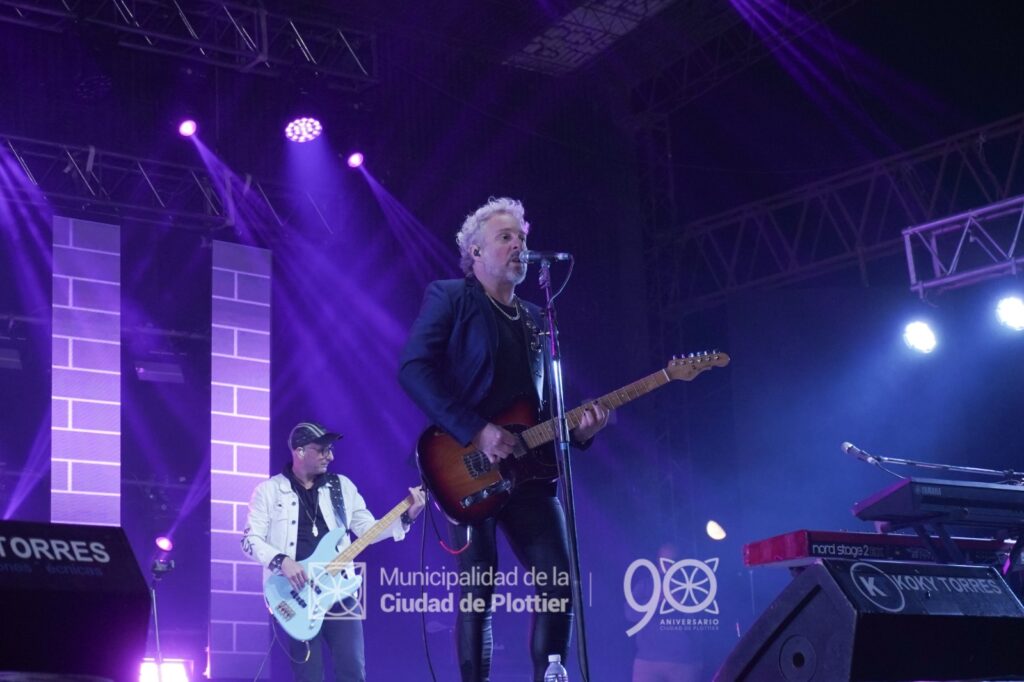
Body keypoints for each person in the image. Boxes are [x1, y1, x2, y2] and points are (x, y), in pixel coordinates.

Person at [398, 197, 611, 681]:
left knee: (559, 581)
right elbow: (412, 369)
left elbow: (542, 407)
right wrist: (476, 429)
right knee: (479, 588)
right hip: (465, 465)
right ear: (475, 251)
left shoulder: (537, 318)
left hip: (529, 471)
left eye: (522, 237)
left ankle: (550, 677)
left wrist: (579, 433)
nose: (519, 245)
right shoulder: (451, 297)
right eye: (506, 237)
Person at [241, 421, 426, 682]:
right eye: (322, 450)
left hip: (340, 591)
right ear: (300, 451)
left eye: (330, 449)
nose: (330, 456)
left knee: (353, 670)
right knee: (309, 676)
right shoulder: (269, 491)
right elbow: (249, 540)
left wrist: (407, 516)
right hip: (296, 595)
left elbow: (368, 530)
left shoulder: (342, 487)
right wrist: (282, 561)